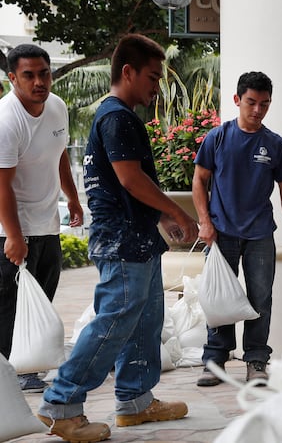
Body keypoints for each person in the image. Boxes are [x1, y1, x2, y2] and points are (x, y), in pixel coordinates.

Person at [37, 34, 199, 442]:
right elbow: (130, 179)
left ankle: (135, 400)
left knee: (146, 318)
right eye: (151, 76)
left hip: (136, 237)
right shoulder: (116, 117)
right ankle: (61, 404)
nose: (156, 86)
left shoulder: (119, 117)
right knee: (113, 321)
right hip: (122, 241)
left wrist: (159, 221)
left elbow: (127, 183)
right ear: (126, 72)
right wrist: (176, 210)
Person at [193, 71, 282, 387]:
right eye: (251, 102)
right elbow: (200, 180)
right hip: (220, 231)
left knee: (260, 298)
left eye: (264, 104)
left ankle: (256, 360)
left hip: (259, 234)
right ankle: (215, 359)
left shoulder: (275, 145)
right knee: (218, 297)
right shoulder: (218, 138)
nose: (257, 110)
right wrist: (204, 222)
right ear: (237, 100)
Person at [0, 44, 83, 393]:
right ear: (12, 78)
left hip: (47, 222)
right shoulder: (6, 120)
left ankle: (28, 365)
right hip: (10, 227)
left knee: (41, 296)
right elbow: (1, 184)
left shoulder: (56, 107)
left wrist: (73, 196)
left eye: (44, 73)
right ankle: (9, 372)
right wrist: (14, 237)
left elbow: (59, 152)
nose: (39, 82)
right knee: (9, 304)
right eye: (29, 75)